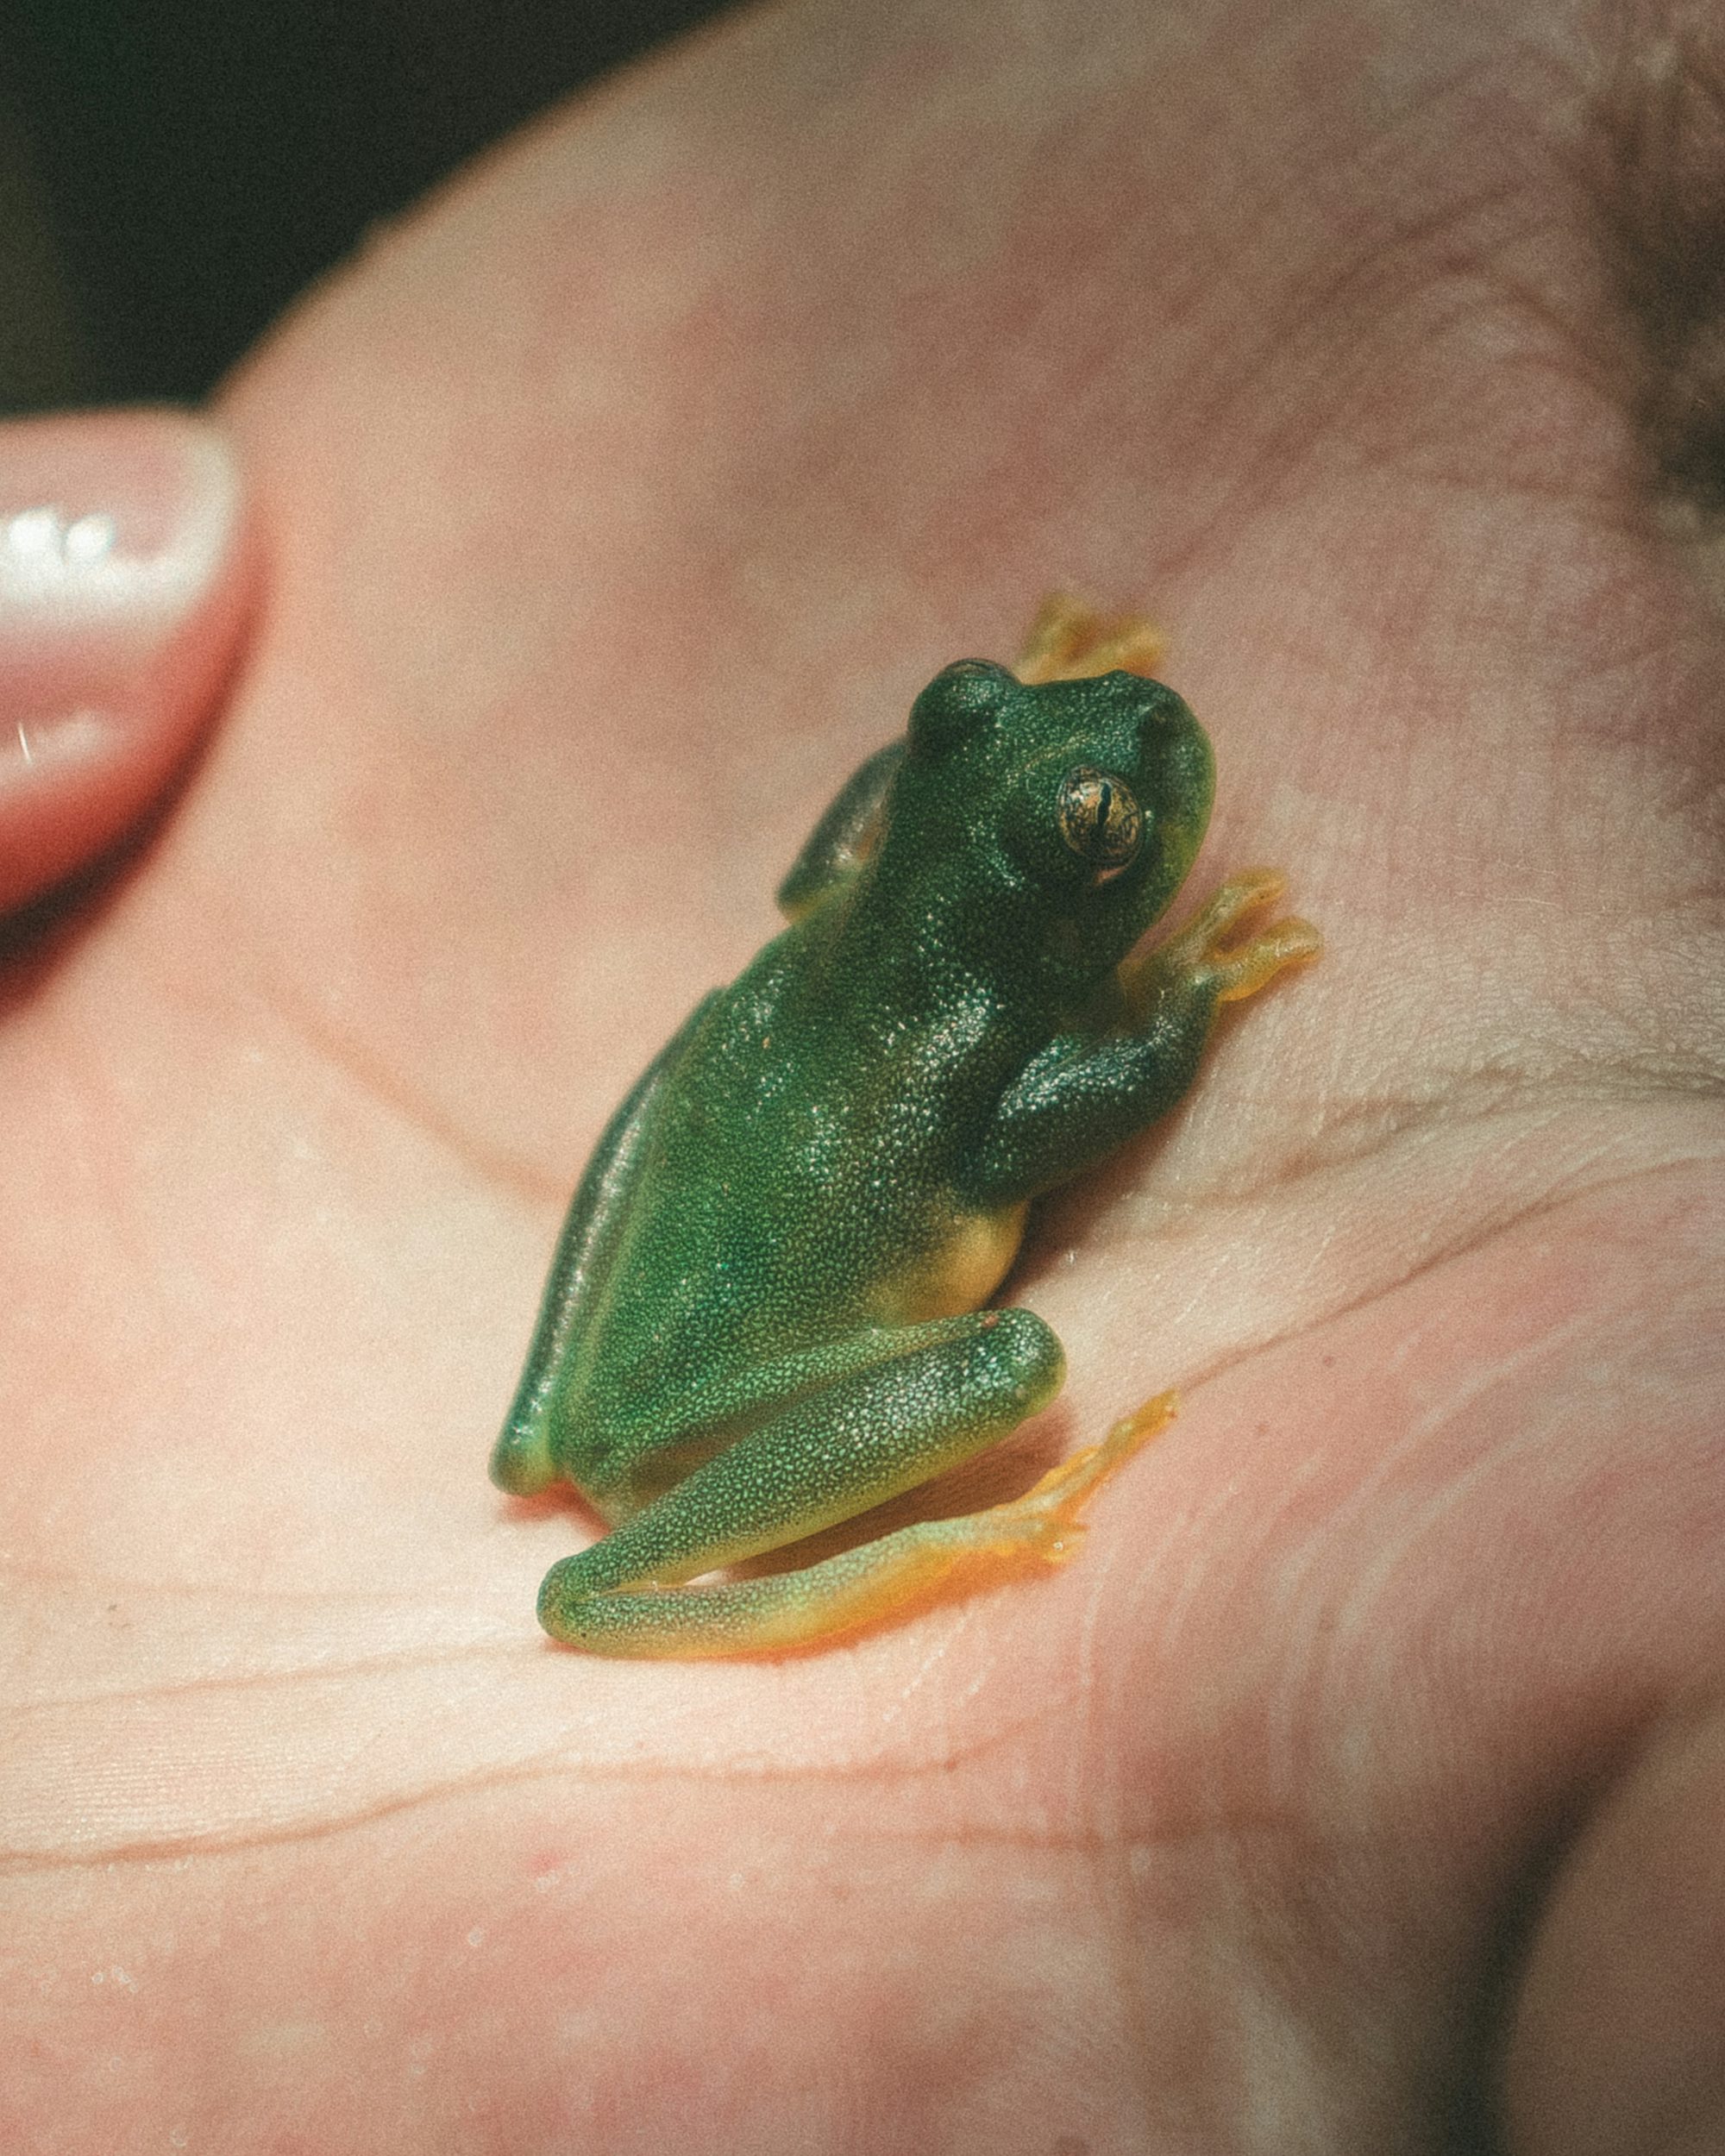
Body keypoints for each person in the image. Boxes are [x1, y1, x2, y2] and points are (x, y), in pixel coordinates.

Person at [3, 1, 1721, 2147]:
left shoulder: (871, 864)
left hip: (684, 1236)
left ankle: (564, 1416)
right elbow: (1029, 1119)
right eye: (1083, 816)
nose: (1137, 776)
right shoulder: (1000, 1002)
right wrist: (1179, 1012)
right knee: (1004, 1372)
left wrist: (1041, 832)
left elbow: (834, 871)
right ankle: (691, 1552)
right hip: (746, 1355)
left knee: (759, 1060)